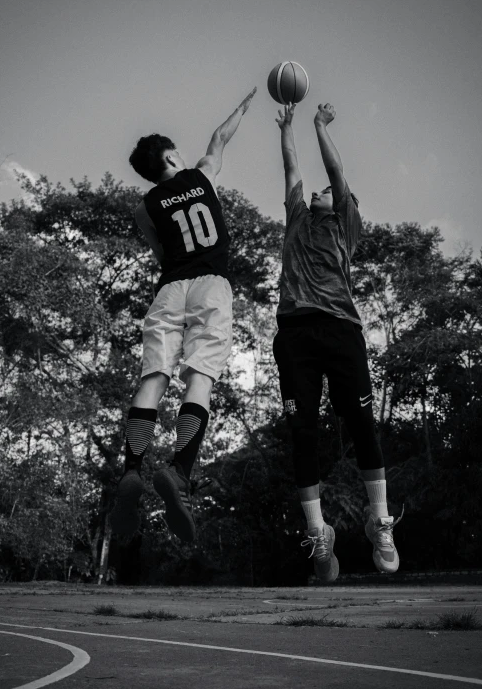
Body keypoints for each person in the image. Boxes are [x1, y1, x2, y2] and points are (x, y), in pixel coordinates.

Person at [110, 87, 257, 542]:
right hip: (211, 284)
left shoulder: (143, 206)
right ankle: (178, 471)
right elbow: (219, 139)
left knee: (154, 376)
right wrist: (242, 107)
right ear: (173, 156)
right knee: (200, 377)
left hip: (170, 289)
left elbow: (161, 252)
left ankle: (132, 470)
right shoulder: (202, 175)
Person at [272, 101, 402, 582]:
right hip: (295, 333)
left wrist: (319, 125)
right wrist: (286, 129)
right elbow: (292, 168)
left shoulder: (346, 223)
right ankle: (318, 531)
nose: (323, 191)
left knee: (362, 424)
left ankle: (379, 522)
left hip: (341, 329)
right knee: (301, 431)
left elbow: (334, 168)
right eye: (320, 192)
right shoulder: (297, 219)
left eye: (331, 192)